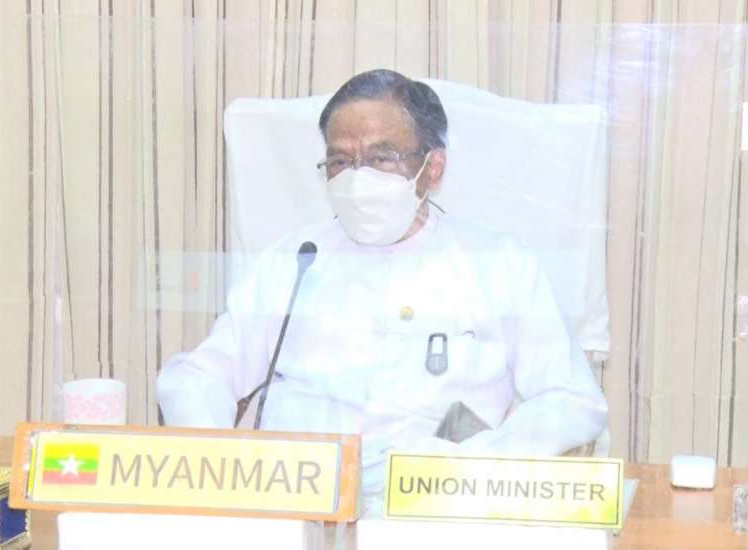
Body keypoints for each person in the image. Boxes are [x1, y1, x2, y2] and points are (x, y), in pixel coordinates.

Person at [157, 69, 608, 495]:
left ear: (433, 167)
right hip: (297, 497)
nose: (358, 178)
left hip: (437, 504)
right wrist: (220, 463)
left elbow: (571, 400)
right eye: (341, 160)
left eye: (381, 158)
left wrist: (483, 460)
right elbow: (198, 377)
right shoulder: (296, 259)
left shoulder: (499, 265)